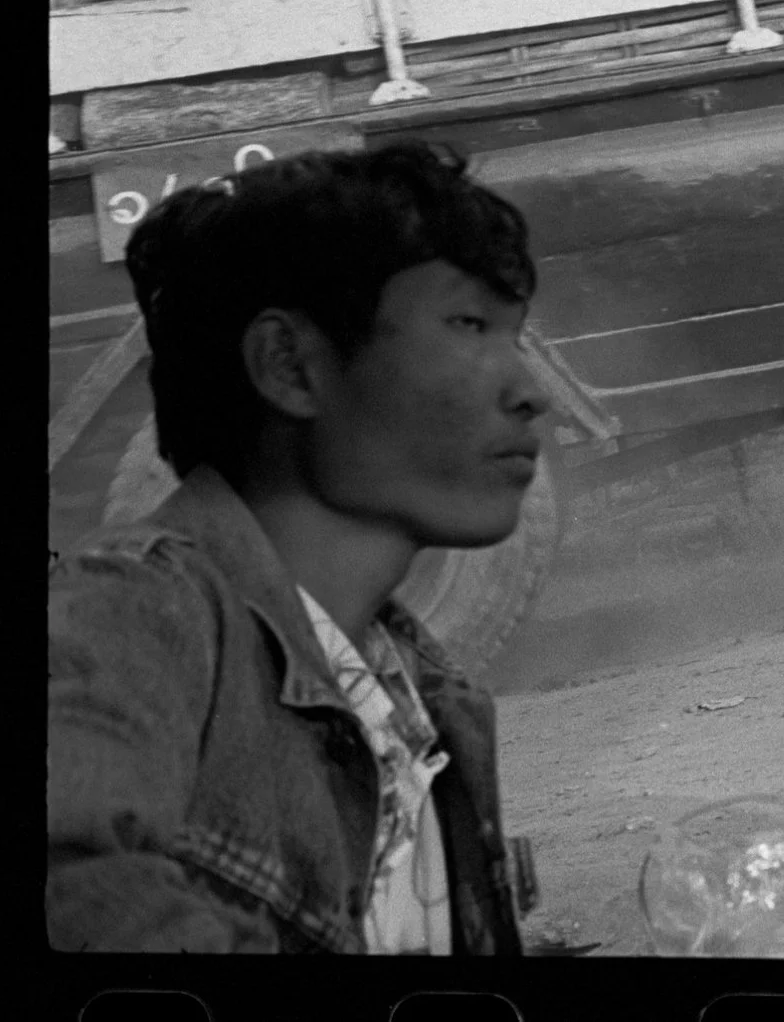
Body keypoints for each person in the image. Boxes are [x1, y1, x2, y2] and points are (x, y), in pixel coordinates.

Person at [48, 143, 546, 954]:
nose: (534, 394)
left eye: (513, 336)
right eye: (466, 326)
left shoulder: (428, 708)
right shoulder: (136, 607)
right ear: (290, 367)